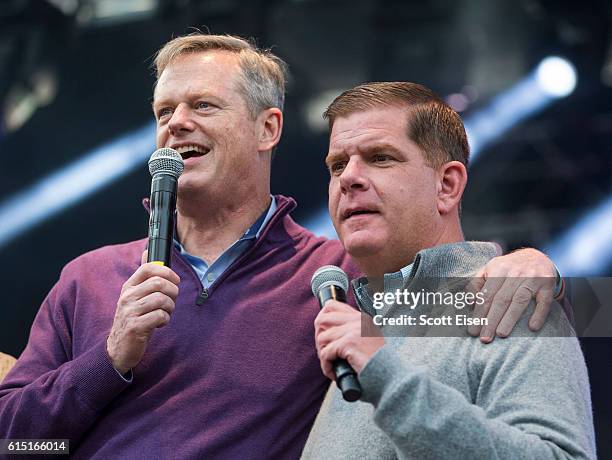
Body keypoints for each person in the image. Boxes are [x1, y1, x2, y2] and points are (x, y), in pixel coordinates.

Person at [0, 34, 563, 458]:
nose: (176, 123)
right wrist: (107, 360)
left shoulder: (336, 278)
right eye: (163, 112)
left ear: (268, 129)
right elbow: (18, 445)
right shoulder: (89, 277)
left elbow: (473, 310)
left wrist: (531, 266)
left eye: (203, 106)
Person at [303, 82, 595, 459]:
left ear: (447, 184)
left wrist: (387, 378)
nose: (348, 178)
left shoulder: (511, 300)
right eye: (337, 165)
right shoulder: (358, 325)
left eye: (380, 157)